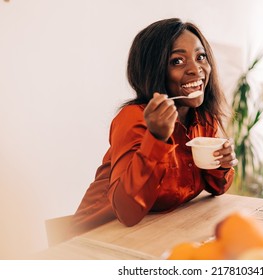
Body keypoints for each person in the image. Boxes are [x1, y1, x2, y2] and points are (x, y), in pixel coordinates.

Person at [70, 18, 238, 237]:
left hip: (154, 231)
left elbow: (216, 188)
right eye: (177, 61)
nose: (195, 69)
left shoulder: (204, 119)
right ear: (153, 69)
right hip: (96, 235)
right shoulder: (134, 118)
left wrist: (222, 165)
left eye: (201, 57)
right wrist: (156, 139)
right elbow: (127, 212)